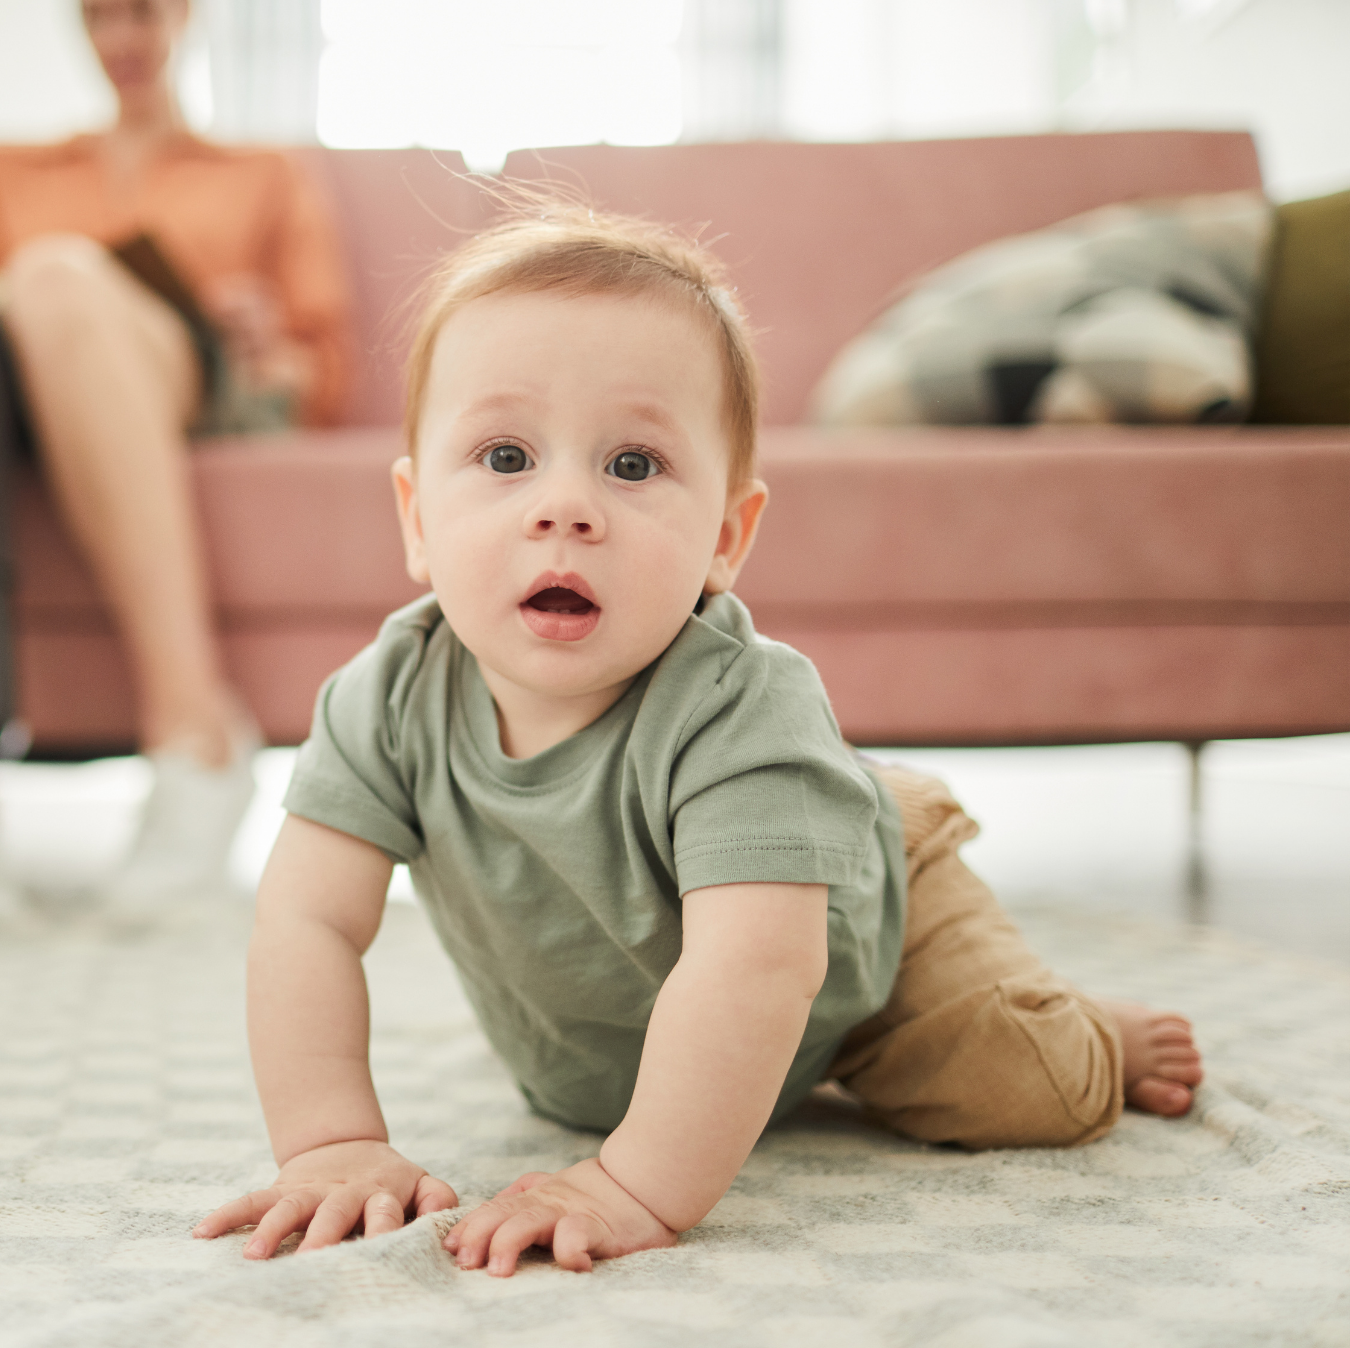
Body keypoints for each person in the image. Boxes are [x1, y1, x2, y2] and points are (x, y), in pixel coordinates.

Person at [193, 204, 1204, 1275]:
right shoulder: (384, 699)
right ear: (415, 520)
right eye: (504, 455)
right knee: (603, 1093)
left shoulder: (739, 706)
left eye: (632, 466)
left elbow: (758, 967)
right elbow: (306, 918)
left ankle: (1090, 1025)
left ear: (725, 537)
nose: (566, 506)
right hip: (625, 1030)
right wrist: (334, 1143)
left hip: (866, 934)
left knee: (1020, 1088)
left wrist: (633, 1186)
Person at [0, 0, 352, 909]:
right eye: (104, 17)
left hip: (198, 382)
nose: (126, 39)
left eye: (144, 14)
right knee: (47, 287)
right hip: (29, 393)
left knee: (53, 276)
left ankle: (194, 727)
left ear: (185, 20)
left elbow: (321, 366)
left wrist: (265, 337)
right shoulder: (18, 169)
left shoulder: (259, 174)